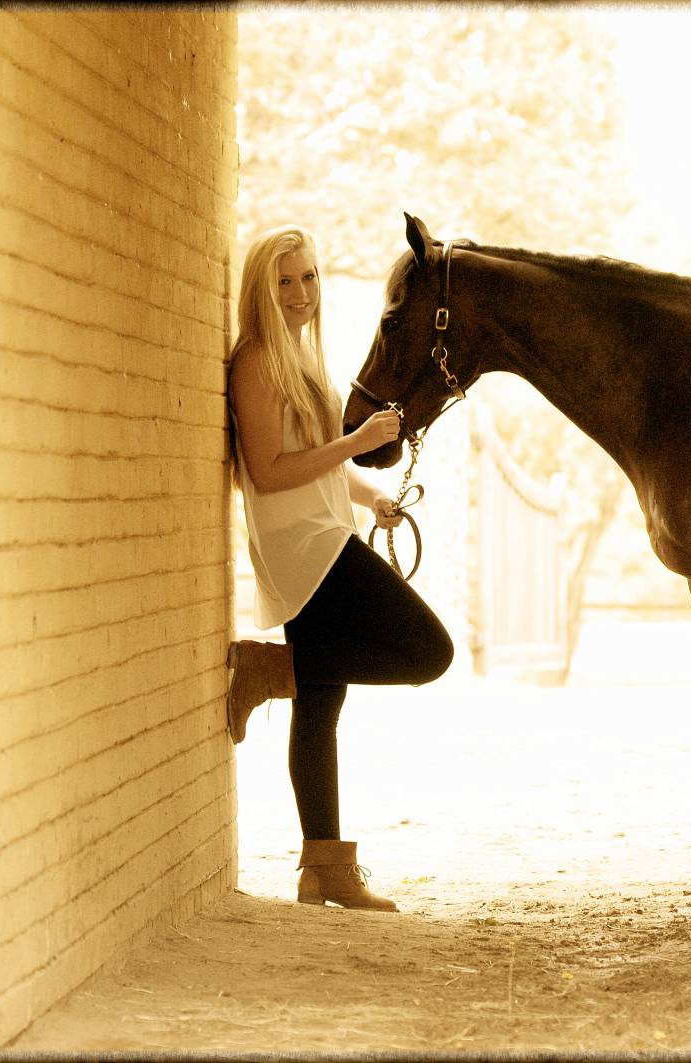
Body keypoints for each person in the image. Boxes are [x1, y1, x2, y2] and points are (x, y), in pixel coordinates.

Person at [225, 225, 453, 912]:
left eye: (309, 276)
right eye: (284, 281)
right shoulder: (255, 361)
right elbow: (269, 472)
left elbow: (316, 459)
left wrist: (370, 493)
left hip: (323, 531)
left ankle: (323, 869)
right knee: (428, 650)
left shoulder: (298, 356)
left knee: (321, 706)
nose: (301, 292)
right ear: (262, 289)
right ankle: (270, 668)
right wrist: (355, 442)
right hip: (305, 545)